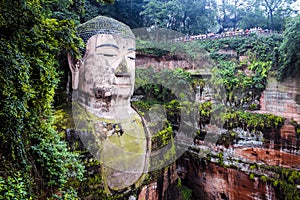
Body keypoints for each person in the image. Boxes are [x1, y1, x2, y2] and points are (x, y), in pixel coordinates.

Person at [68, 16, 149, 191]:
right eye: (108, 55)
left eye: (131, 58)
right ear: (75, 65)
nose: (123, 70)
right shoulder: (68, 133)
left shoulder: (143, 120)